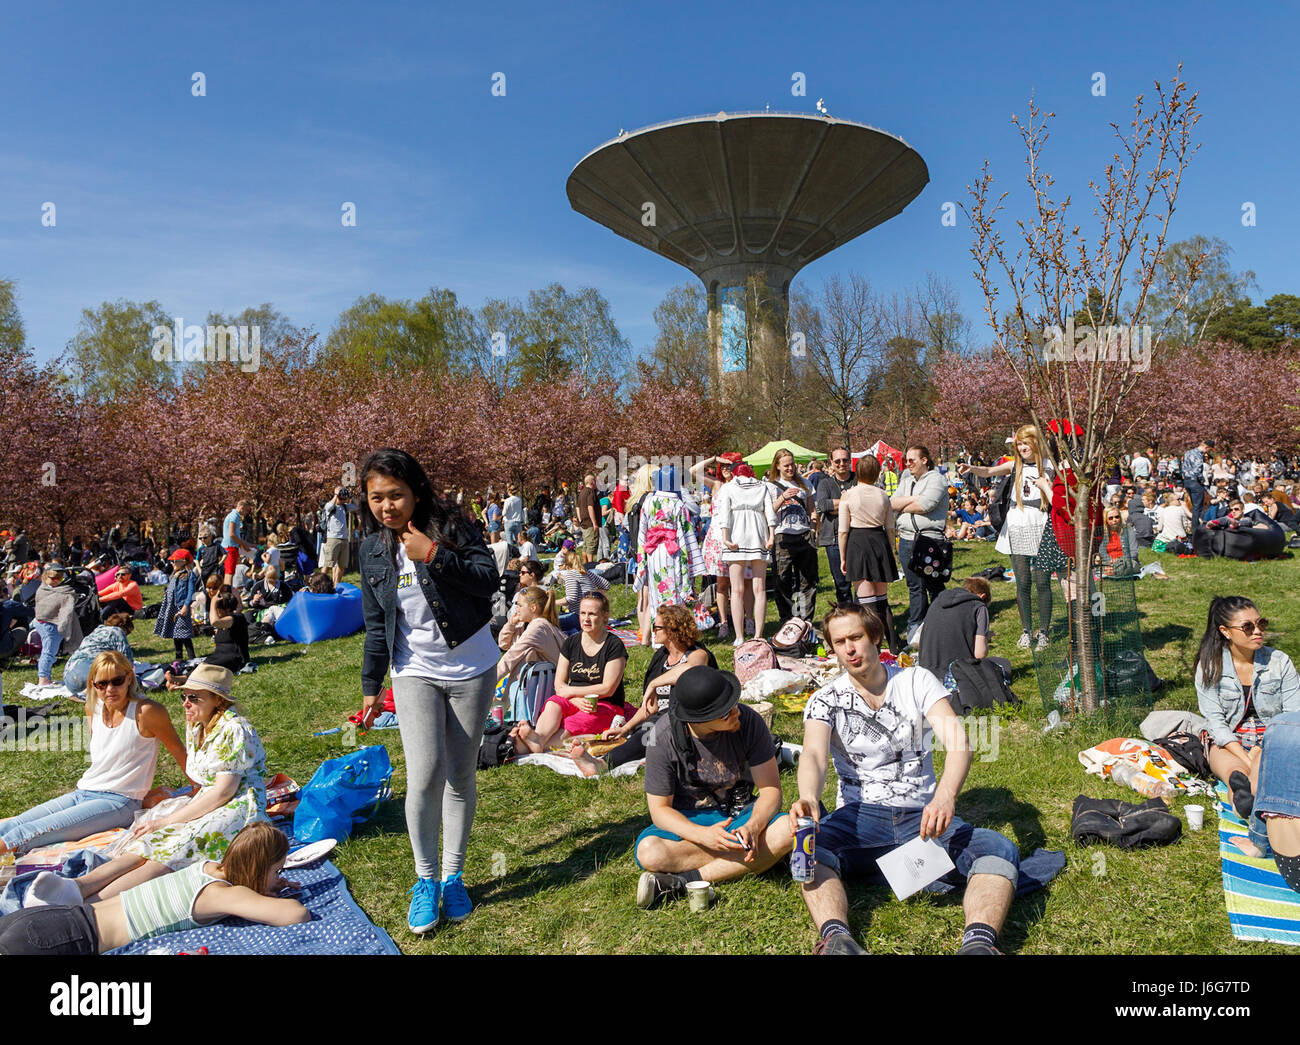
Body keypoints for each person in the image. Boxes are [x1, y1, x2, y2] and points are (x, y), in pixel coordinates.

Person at [789, 604, 1021, 954]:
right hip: (859, 817)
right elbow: (814, 754)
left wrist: (945, 796)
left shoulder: (916, 680)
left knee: (998, 848)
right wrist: (808, 795)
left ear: (875, 637)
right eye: (839, 642)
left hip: (922, 819)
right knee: (809, 850)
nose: (849, 649)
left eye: (855, 637)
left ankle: (979, 944)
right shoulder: (825, 700)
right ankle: (838, 941)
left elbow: (959, 743)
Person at [357, 448, 500, 933]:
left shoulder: (453, 525)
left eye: (395, 495)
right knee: (423, 775)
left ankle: (454, 877)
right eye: (377, 497)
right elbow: (376, 624)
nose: (387, 506)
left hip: (472, 667)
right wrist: (370, 686)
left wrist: (434, 556)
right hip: (413, 669)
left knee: (460, 773)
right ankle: (425, 880)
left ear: (416, 491)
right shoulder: (372, 549)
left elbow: (488, 581)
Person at [74, 664, 267, 900]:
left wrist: (167, 820)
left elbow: (223, 793)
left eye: (194, 698)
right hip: (210, 799)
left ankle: (90, 905)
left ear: (218, 700)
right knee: (150, 841)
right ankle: (78, 887)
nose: (185, 703)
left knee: (176, 849)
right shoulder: (197, 725)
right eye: (184, 696)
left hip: (237, 805)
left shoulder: (234, 729)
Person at [0, 821, 310, 955]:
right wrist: (267, 892)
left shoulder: (207, 867)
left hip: (48, 919)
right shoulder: (224, 893)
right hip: (67, 938)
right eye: (277, 870)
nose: (278, 876)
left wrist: (265, 882)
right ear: (261, 868)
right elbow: (295, 915)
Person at [632, 665, 793, 908]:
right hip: (689, 821)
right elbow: (659, 810)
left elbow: (771, 790)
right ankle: (762, 859)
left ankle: (680, 882)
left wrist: (754, 825)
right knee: (649, 852)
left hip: (741, 816)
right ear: (698, 721)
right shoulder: (662, 737)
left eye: (733, 703)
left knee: (788, 830)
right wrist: (703, 836)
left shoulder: (749, 722)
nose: (736, 712)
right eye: (725, 713)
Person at [0, 652, 186, 858]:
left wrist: (200, 787)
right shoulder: (93, 707)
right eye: (102, 684)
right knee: (14, 824)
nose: (110, 689)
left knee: (23, 834)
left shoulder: (147, 712)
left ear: (130, 677)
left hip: (120, 801)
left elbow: (177, 749)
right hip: (84, 791)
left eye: (117, 681)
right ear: (93, 685)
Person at [570, 603, 716, 777]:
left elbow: (691, 668)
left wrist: (655, 684)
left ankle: (602, 765)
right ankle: (653, 753)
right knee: (647, 730)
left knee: (654, 729)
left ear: (671, 630)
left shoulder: (697, 653)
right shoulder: (661, 657)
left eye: (656, 627)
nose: (652, 630)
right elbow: (651, 707)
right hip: (661, 720)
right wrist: (625, 729)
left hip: (690, 720)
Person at [1196, 596, 1300, 819]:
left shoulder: (1279, 661)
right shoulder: (1210, 665)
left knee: (1263, 764)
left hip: (1271, 737)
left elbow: (1293, 715)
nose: (1257, 631)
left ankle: (1250, 801)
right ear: (1226, 631)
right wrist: (1246, 757)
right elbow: (1215, 722)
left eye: (1261, 623)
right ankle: (1243, 799)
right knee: (1233, 770)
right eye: (1247, 627)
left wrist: (1261, 749)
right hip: (1228, 740)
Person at [960, 425, 1056, 651]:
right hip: (1016, 523)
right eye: (1019, 444)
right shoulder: (1016, 465)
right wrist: (972, 467)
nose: (1022, 448)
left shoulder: (1050, 466)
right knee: (1023, 582)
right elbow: (989, 472)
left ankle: (1043, 631)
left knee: (1042, 582)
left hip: (1040, 523)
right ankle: (1026, 630)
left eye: (1027, 443)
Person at [511, 591, 628, 754]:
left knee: (576, 721)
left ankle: (538, 745)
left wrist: (573, 693)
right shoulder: (571, 642)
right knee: (553, 703)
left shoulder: (614, 645)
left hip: (605, 703)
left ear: (604, 616)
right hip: (573, 699)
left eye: (592, 614)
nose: (586, 619)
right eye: (582, 613)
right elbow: (559, 684)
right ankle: (538, 737)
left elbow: (607, 688)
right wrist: (573, 698)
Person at [838, 454, 901, 654]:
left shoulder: (848, 495)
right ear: (877, 473)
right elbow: (890, 527)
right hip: (879, 540)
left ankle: (873, 647)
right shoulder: (883, 495)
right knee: (882, 601)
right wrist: (891, 550)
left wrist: (843, 557)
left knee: (866, 603)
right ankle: (892, 646)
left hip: (858, 543)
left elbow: (842, 531)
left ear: (858, 471)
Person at [892, 445, 951, 640]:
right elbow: (892, 502)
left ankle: (941, 622)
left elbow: (926, 505)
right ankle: (915, 625)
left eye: (912, 460)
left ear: (924, 460)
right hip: (907, 538)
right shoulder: (906, 479)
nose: (908, 464)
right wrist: (914, 499)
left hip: (929, 539)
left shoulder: (937, 479)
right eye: (906, 461)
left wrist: (905, 505)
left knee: (933, 584)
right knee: (914, 586)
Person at [715, 463, 776, 647]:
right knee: (760, 588)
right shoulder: (762, 485)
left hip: (737, 532)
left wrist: (725, 537)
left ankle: (739, 635)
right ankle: (758, 634)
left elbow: (724, 514)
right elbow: (770, 512)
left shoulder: (728, 487)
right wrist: (771, 535)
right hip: (758, 532)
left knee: (737, 589)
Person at [692, 452, 742, 639]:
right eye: (724, 466)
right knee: (722, 584)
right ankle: (723, 622)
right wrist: (713, 459)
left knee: (740, 584)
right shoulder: (717, 485)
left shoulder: (741, 485)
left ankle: (745, 620)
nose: (727, 469)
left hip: (736, 536)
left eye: (731, 465)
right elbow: (693, 471)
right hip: (717, 539)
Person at [766, 448, 819, 624]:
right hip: (783, 537)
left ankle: (805, 621)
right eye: (786, 465)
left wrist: (812, 528)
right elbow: (767, 511)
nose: (790, 469)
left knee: (808, 581)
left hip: (804, 534)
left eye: (792, 465)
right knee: (783, 580)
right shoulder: (771, 485)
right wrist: (782, 497)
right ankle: (788, 621)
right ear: (778, 466)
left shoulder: (805, 483)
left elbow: (812, 508)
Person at [495, 585, 565, 687]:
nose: (516, 609)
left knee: (527, 653)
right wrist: (511, 624)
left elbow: (513, 655)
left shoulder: (538, 627)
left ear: (533, 608)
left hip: (546, 682)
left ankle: (509, 701)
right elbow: (503, 644)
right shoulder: (523, 624)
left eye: (520, 605)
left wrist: (491, 681)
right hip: (537, 678)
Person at [815, 447, 857, 606]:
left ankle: (862, 616)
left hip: (857, 536)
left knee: (862, 581)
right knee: (842, 584)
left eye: (845, 460)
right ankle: (846, 615)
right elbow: (823, 505)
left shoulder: (858, 480)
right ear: (831, 463)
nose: (842, 464)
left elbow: (865, 502)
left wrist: (836, 505)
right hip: (833, 540)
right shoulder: (824, 483)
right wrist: (850, 501)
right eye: (837, 461)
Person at [33, 564, 83, 686]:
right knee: (49, 651)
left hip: (53, 624)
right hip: (46, 623)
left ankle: (46, 677)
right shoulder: (43, 590)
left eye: (59, 578)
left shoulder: (62, 590)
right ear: (45, 576)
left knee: (51, 651)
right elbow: (44, 609)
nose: (56, 580)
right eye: (53, 577)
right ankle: (43, 679)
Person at [62, 612, 136, 695]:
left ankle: (85, 691)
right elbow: (127, 660)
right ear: (123, 626)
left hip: (69, 678)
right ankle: (86, 693)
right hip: (89, 673)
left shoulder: (97, 631)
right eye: (128, 632)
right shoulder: (117, 631)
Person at [320, 487, 357, 586]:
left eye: (344, 499)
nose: (342, 501)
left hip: (344, 539)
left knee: (342, 565)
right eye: (341, 498)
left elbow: (357, 507)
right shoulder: (330, 506)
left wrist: (351, 496)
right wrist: (336, 495)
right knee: (328, 564)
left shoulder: (345, 507)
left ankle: (336, 586)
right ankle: (319, 585)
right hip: (332, 539)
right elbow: (328, 507)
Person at [205, 591, 250, 672]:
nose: (216, 611)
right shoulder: (222, 622)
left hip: (235, 660)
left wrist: (213, 603)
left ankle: (183, 678)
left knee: (206, 668)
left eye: (217, 608)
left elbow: (214, 622)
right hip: (219, 657)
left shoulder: (238, 618)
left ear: (227, 609)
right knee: (199, 666)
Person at [221, 499, 259, 587]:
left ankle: (228, 591)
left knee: (229, 571)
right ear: (242, 508)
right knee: (230, 572)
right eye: (247, 510)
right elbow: (232, 534)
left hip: (229, 546)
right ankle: (228, 592)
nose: (247, 513)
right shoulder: (234, 516)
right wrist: (243, 544)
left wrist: (248, 544)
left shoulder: (233, 515)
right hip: (230, 547)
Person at [1097, 506, 1140, 577]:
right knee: (1105, 567)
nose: (1114, 520)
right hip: (1109, 562)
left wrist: (1120, 561)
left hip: (1127, 561)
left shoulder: (1129, 530)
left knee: (1132, 565)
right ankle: (1115, 572)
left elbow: (1134, 552)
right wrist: (1110, 561)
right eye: (1111, 518)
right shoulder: (1102, 533)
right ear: (1105, 520)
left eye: (1117, 517)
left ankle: (1114, 572)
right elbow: (1102, 551)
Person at [1182, 439, 1214, 526]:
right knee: (1197, 508)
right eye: (1209, 450)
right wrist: (1203, 481)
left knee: (1193, 506)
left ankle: (1193, 526)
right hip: (1195, 482)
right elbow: (1197, 470)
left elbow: (1183, 467)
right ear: (1206, 447)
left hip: (1187, 481)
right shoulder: (1199, 455)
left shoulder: (1188, 452)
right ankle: (1195, 529)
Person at [577, 473, 601, 564]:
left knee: (585, 545)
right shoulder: (591, 492)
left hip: (584, 523)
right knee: (591, 545)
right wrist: (594, 523)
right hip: (590, 523)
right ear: (592, 482)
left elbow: (577, 507)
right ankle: (590, 565)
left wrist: (580, 520)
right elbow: (590, 507)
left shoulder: (581, 492)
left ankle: (585, 563)